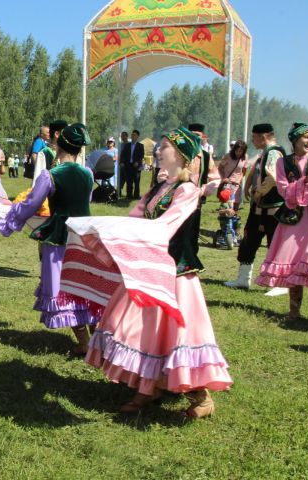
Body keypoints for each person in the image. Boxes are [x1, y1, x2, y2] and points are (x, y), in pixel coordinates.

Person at [85, 126, 232, 417]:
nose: (159, 150)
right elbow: (136, 217)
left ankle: (200, 398)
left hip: (174, 274)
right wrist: (106, 230)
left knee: (175, 337)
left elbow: (166, 227)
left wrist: (134, 238)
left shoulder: (187, 190)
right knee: (144, 331)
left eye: (164, 145)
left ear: (179, 154)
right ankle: (148, 388)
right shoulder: (160, 187)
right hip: (150, 268)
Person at [0, 123, 102, 355]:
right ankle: (98, 342)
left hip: (60, 237)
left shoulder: (51, 175)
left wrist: (9, 221)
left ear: (58, 145)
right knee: (85, 285)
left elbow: (31, 203)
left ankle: (85, 343)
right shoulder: (87, 173)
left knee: (66, 287)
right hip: (86, 236)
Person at [255, 123, 308, 321]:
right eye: (306, 137)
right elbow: (284, 191)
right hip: (294, 220)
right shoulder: (283, 163)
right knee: (293, 265)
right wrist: (305, 180)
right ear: (295, 139)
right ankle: (294, 313)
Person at [224, 124, 286, 291]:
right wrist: (249, 188)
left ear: (263, 137)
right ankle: (243, 279)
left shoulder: (274, 152)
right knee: (249, 241)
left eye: (254, 137)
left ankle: (279, 284)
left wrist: (259, 192)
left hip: (273, 209)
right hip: (259, 209)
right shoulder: (265, 153)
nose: (252, 140)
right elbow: (257, 172)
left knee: (275, 244)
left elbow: (273, 177)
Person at [32, 120, 68, 185]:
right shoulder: (44, 152)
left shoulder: (68, 153)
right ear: (57, 134)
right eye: (66, 133)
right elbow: (38, 183)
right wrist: (37, 165)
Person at [119, 129, 144, 199]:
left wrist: (137, 162)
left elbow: (141, 155)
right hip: (128, 166)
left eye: (134, 135)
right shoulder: (127, 145)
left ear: (137, 136)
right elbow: (123, 154)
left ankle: (136, 195)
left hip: (136, 166)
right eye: (132, 135)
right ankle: (129, 195)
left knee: (136, 181)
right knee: (129, 181)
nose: (132, 136)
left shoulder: (140, 146)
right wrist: (121, 162)